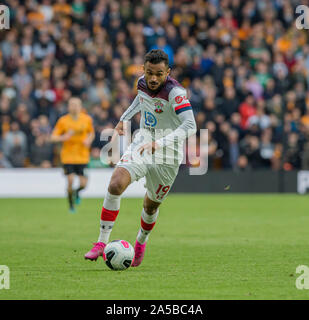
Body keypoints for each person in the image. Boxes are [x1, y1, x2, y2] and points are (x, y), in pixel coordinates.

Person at [84, 49, 197, 267]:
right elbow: (140, 100)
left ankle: (141, 242)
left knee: (151, 206)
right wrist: (123, 119)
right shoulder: (142, 83)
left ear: (168, 72)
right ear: (143, 70)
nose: (153, 78)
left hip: (168, 153)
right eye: (149, 73)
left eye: (159, 74)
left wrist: (160, 143)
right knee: (116, 184)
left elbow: (190, 125)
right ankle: (101, 243)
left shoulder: (176, 93)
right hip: (143, 142)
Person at [51, 97, 94, 213]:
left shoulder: (87, 119)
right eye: (72, 105)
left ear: (81, 107)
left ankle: (76, 193)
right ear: (68, 107)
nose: (74, 107)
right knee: (70, 180)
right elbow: (53, 137)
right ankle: (71, 205)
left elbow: (91, 133)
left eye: (76, 105)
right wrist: (63, 137)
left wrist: (89, 140)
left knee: (83, 184)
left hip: (82, 156)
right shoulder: (63, 121)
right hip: (68, 156)